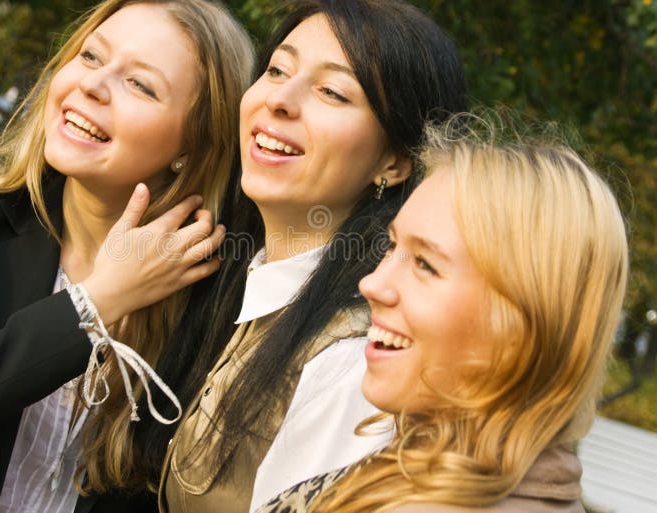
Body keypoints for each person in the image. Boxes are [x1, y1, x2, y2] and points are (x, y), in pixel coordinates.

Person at [0, 0, 254, 513]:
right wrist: (95, 305)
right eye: (90, 55)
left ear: (192, 144)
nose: (93, 84)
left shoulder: (210, 292)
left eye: (140, 84)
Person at [130, 0, 467, 513]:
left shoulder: (354, 362)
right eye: (278, 71)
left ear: (395, 162)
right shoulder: (229, 282)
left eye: (333, 92)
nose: (279, 100)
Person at [254, 113, 629, 513]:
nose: (372, 284)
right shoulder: (436, 470)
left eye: (425, 265)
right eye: (391, 247)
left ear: (524, 317)